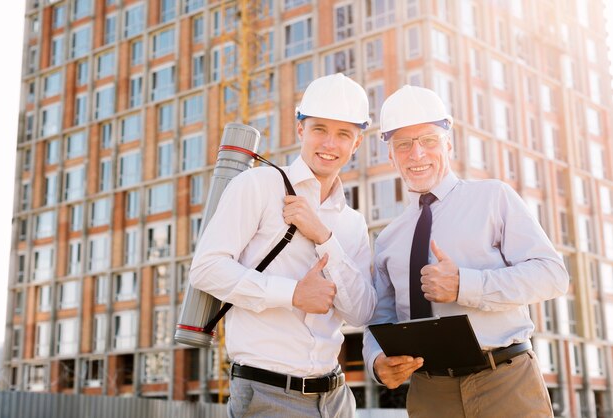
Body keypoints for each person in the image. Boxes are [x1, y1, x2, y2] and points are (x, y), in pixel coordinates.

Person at [362, 85, 569, 417]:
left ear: (449, 143)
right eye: (404, 145)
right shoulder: (388, 238)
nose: (416, 154)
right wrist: (375, 360)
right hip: (430, 392)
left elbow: (553, 275)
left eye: (428, 140)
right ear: (390, 155)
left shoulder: (493, 197)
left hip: (505, 380)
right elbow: (381, 318)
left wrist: (465, 285)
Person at [190, 73, 377, 417]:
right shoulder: (258, 186)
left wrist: (324, 237)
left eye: (343, 134)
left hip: (336, 399)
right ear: (300, 129)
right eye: (320, 129)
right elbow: (205, 268)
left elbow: (362, 312)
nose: (330, 144)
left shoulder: (352, 223)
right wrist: (292, 294)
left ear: (357, 143)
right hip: (267, 394)